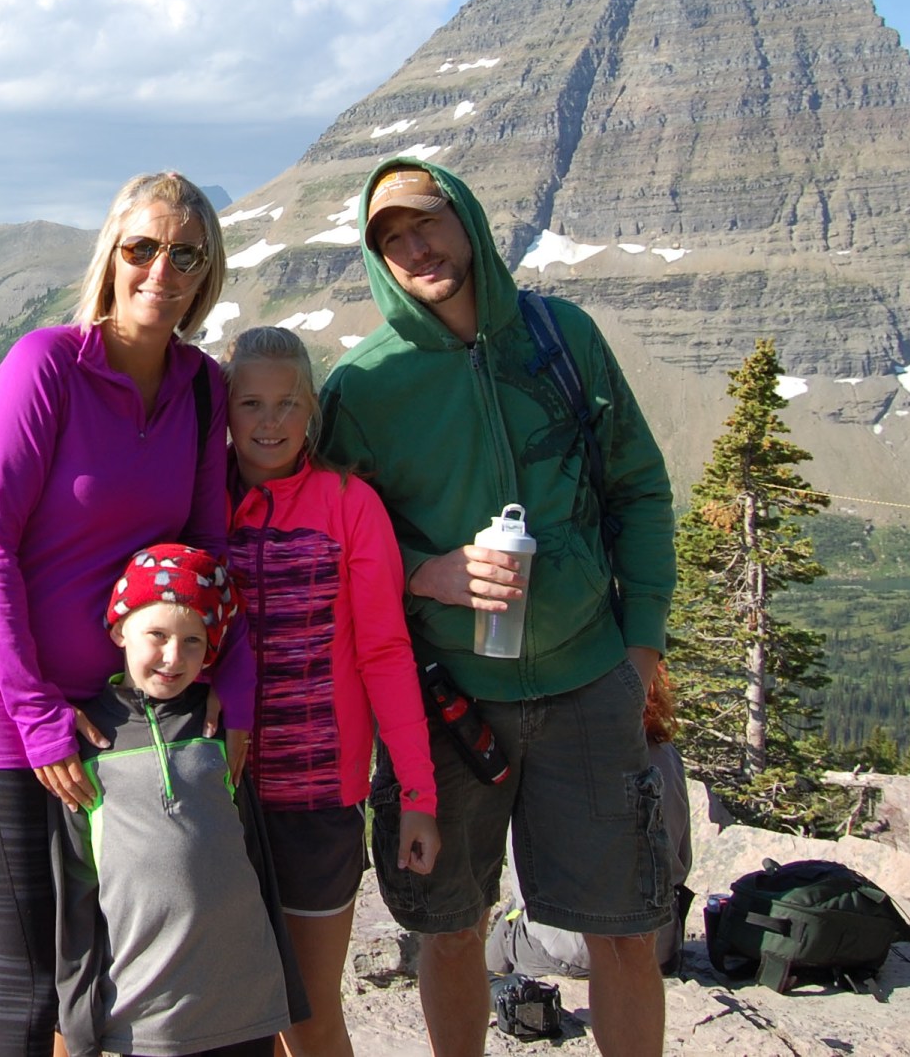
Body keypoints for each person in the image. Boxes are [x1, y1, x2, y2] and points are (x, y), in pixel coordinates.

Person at [319, 159, 677, 1057]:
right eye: (390, 239)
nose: (415, 248)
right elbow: (322, 538)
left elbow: (640, 491)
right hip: (444, 700)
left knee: (626, 931)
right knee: (449, 928)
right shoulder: (364, 387)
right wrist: (423, 572)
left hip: (589, 679)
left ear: (466, 220)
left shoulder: (564, 339)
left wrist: (640, 648)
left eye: (426, 224)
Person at [0, 170, 250, 1057]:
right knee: (32, 983)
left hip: (124, 721)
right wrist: (39, 716)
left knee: (116, 969)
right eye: (143, 247)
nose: (163, 268)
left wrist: (231, 680)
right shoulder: (48, 365)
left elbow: (207, 557)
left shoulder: (202, 389)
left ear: (207, 270)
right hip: (11, 717)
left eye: (185, 253)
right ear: (113, 255)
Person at [222, 325, 440, 1057]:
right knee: (234, 1018)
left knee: (309, 1017)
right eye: (252, 403)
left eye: (288, 404)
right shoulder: (206, 507)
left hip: (319, 801)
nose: (271, 421)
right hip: (220, 797)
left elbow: (384, 652)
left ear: (312, 408)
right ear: (227, 409)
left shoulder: (349, 505)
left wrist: (418, 795)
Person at [54, 544, 290, 1057]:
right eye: (156, 635)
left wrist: (282, 983)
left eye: (192, 642)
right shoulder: (87, 740)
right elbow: (76, 891)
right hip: (144, 1018)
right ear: (119, 630)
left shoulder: (217, 728)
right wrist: (77, 1022)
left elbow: (253, 860)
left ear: (210, 651)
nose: (172, 657)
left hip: (244, 1007)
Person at [486, 660, 695, 979]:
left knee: (504, 929)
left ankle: (489, 992)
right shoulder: (664, 755)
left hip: (564, 950)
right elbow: (680, 862)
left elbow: (523, 873)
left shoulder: (544, 753)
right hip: (656, 946)